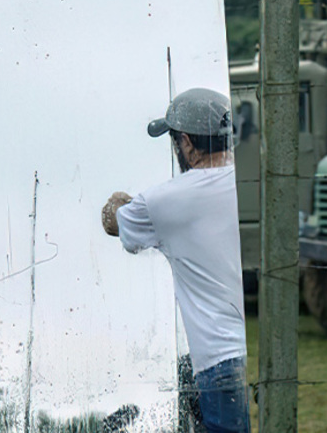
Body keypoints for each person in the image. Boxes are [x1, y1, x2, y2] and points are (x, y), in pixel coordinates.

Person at [101, 88, 250, 433]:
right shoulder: (253, 181)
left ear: (186, 142)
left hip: (219, 364)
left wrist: (117, 201)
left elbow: (114, 222)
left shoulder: (163, 202)